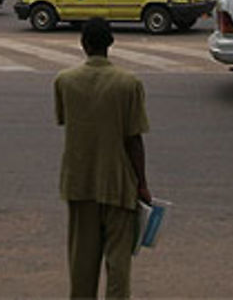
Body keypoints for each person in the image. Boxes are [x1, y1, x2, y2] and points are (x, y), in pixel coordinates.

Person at [54, 18, 151, 299]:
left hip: (79, 183)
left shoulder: (64, 81)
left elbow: (65, 121)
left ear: (83, 44)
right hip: (119, 185)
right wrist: (142, 184)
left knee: (81, 263)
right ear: (111, 42)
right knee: (118, 263)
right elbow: (134, 139)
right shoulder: (129, 84)